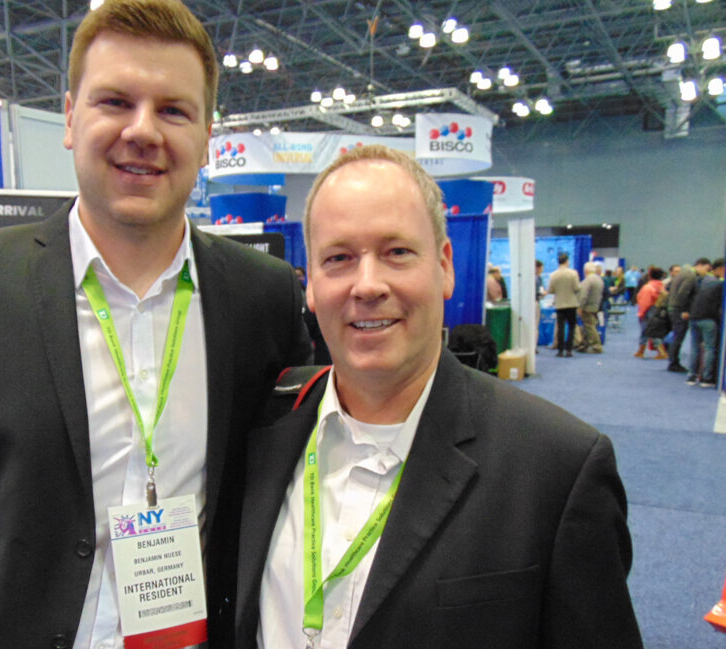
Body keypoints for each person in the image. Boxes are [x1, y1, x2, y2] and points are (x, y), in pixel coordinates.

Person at [0, 2, 312, 647]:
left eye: (174, 110)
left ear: (209, 134)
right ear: (71, 117)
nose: (143, 131)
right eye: (115, 102)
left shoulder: (261, 295)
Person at [234, 145, 642, 649]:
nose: (367, 284)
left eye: (397, 252)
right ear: (310, 284)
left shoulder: (557, 467)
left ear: (445, 266)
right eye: (338, 258)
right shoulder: (263, 431)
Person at [666, 257, 712, 373]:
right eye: (707, 268)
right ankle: (673, 362)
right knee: (679, 336)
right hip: (679, 310)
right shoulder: (690, 276)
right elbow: (683, 293)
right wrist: (684, 310)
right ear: (700, 265)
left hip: (674, 307)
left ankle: (673, 361)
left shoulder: (684, 273)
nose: (707, 272)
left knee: (677, 336)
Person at [686, 258, 724, 387]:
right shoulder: (719, 284)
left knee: (695, 348)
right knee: (709, 349)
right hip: (709, 318)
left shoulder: (701, 281)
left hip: (694, 317)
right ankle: (706, 378)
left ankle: (691, 376)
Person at [547, 252, 580, 357]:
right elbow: (577, 288)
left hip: (559, 304)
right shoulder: (573, 273)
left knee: (560, 327)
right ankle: (569, 349)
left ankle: (560, 350)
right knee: (571, 327)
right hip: (571, 304)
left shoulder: (553, 275)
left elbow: (551, 290)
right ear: (567, 261)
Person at [634, 267, 668, 359]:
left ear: (649, 275)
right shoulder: (661, 286)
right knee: (654, 331)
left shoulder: (648, 287)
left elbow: (645, 303)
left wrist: (641, 313)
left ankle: (643, 351)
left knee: (645, 331)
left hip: (648, 311)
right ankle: (660, 351)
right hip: (658, 311)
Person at [577, 261, 604, 353]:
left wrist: (580, 307)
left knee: (590, 327)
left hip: (587, 307)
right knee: (587, 326)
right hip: (595, 306)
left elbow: (583, 295)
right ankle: (584, 345)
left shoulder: (587, 281)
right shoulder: (598, 279)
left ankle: (597, 346)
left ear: (586, 270)